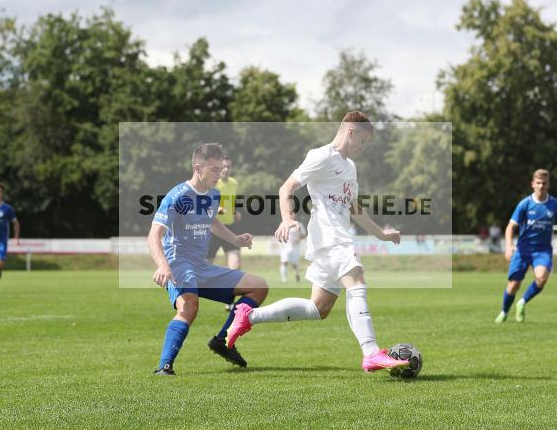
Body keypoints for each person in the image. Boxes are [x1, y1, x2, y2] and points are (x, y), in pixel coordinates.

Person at [226, 111, 409, 373]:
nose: (363, 147)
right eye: (363, 141)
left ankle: (247, 315)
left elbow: (355, 208)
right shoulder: (321, 156)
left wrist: (382, 234)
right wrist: (287, 218)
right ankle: (371, 352)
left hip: (335, 240)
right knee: (356, 281)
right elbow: (286, 187)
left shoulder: (350, 166)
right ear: (351, 132)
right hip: (330, 239)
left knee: (317, 308)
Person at [149, 143, 269, 375]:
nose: (220, 173)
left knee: (259, 287)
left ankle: (222, 341)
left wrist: (235, 240)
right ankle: (165, 366)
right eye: (214, 169)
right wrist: (163, 264)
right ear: (197, 168)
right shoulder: (177, 196)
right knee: (190, 305)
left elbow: (212, 222)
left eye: (221, 168)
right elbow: (154, 234)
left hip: (202, 266)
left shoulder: (214, 195)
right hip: (178, 262)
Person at [495, 169, 557, 323]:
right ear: (532, 184)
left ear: (548, 185)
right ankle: (504, 312)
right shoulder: (525, 204)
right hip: (523, 249)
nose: (541, 186)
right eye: (538, 183)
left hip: (542, 250)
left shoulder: (556, 204)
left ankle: (522, 303)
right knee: (513, 285)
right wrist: (508, 246)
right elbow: (510, 227)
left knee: (542, 277)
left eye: (544, 183)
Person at [206, 156, 242, 270]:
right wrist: (220, 210)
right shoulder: (212, 184)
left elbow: (232, 202)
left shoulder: (234, 183)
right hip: (213, 229)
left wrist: (235, 212)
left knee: (235, 267)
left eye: (228, 167)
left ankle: (231, 288)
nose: (226, 169)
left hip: (230, 228)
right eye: (223, 167)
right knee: (204, 267)